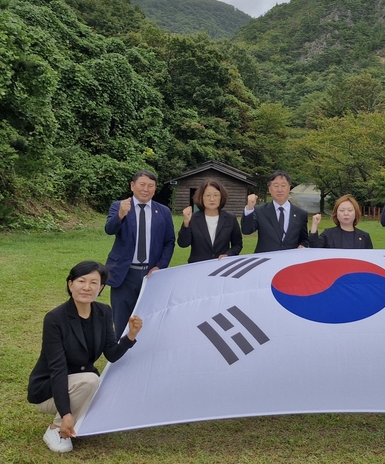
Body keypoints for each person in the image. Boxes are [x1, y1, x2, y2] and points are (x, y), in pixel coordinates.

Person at [27, 261, 142, 453]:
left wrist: (131, 335)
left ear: (101, 288)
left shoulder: (104, 312)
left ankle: (77, 420)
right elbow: (58, 369)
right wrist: (65, 414)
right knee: (90, 380)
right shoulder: (55, 318)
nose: (87, 287)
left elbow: (111, 354)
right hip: (48, 390)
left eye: (94, 283)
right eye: (81, 281)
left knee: (101, 385)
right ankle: (56, 428)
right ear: (70, 284)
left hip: (79, 383)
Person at [105, 170, 175, 335]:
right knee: (121, 320)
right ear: (132, 186)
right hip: (124, 274)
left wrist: (160, 266)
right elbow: (109, 229)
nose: (146, 189)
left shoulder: (163, 211)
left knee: (149, 318)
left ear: (155, 189)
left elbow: (169, 241)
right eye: (142, 184)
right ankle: (120, 356)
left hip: (152, 275)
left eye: (150, 186)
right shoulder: (120, 206)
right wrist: (121, 214)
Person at [241, 171, 309, 253]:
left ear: (289, 188)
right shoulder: (260, 211)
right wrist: (249, 208)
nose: (280, 190)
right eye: (276, 186)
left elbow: (304, 239)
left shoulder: (300, 214)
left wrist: (303, 245)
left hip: (289, 261)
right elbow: (246, 230)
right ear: (269, 189)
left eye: (283, 186)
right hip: (266, 261)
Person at [177, 179, 243, 262]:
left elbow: (237, 245)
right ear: (201, 197)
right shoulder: (193, 218)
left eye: (216, 195)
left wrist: (228, 255)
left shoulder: (230, 218)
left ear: (221, 197)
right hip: (197, 267)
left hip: (221, 266)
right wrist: (186, 223)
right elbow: (183, 244)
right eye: (208, 195)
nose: (212, 199)